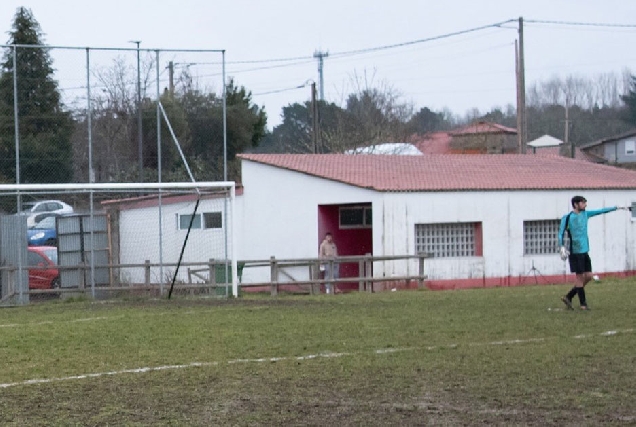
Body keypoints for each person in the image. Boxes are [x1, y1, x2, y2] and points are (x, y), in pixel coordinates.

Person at [558, 195, 631, 310]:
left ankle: (569, 296)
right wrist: (561, 246)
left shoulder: (585, 214)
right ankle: (583, 304)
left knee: (588, 276)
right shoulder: (567, 218)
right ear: (576, 204)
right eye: (583, 203)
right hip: (575, 252)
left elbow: (601, 211)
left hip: (585, 251)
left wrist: (615, 208)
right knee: (580, 277)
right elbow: (560, 233)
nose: (585, 205)